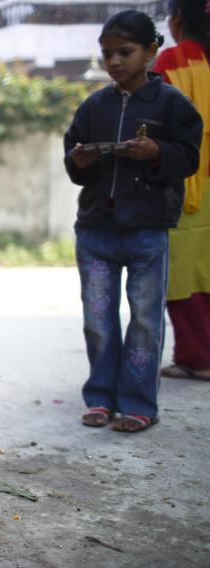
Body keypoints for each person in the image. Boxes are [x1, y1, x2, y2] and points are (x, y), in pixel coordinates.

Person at [64, 10, 202, 432]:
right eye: (108, 54)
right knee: (98, 320)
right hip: (96, 231)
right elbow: (72, 161)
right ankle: (101, 399)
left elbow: (190, 158)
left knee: (145, 320)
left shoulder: (173, 104)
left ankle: (140, 404)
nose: (115, 62)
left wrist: (157, 152)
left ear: (151, 51)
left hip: (146, 230)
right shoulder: (94, 105)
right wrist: (79, 159)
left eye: (125, 52)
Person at [154, 0, 210, 382]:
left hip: (190, 184)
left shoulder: (173, 62)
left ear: (175, 22)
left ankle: (197, 356)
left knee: (183, 273)